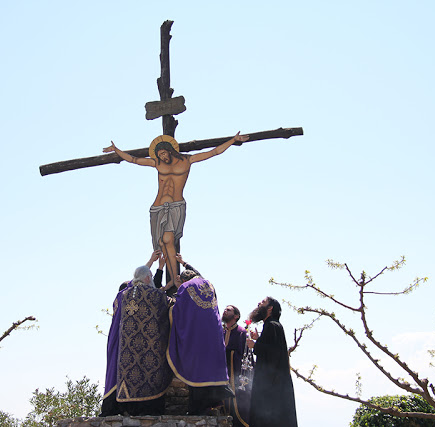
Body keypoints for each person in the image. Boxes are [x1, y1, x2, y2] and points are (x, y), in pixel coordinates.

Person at [103, 132, 249, 289]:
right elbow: (134, 160)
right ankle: (172, 278)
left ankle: (174, 279)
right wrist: (117, 150)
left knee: (168, 239)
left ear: (170, 150)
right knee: (161, 243)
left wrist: (233, 140)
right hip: (158, 207)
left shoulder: (187, 160)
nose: (163, 157)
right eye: (159, 155)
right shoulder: (158, 164)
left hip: (176, 205)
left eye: (164, 153)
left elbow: (213, 152)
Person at [100, 265, 173, 416]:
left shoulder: (123, 295)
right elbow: (170, 305)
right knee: (149, 376)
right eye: (151, 277)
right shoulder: (154, 295)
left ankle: (126, 407)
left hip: (126, 349)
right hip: (149, 349)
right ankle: (147, 407)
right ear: (147, 278)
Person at [167, 269, 233, 415]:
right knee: (210, 370)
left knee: (197, 370)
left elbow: (178, 308)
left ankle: (197, 407)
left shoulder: (186, 287)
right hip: (214, 335)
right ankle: (213, 404)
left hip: (197, 337)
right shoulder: (209, 284)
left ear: (184, 280)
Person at [246, 297, 298, 427]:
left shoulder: (272, 325)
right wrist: (259, 339)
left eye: (263, 302)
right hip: (272, 384)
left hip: (271, 386)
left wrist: (255, 345)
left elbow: (274, 353)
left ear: (270, 308)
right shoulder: (271, 325)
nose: (259, 303)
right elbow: (272, 348)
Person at [222, 305, 251, 427]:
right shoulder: (221, 331)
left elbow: (246, 357)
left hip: (236, 378)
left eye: (228, 310)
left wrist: (229, 353)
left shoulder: (241, 333)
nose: (225, 311)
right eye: (225, 309)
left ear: (236, 316)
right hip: (222, 375)